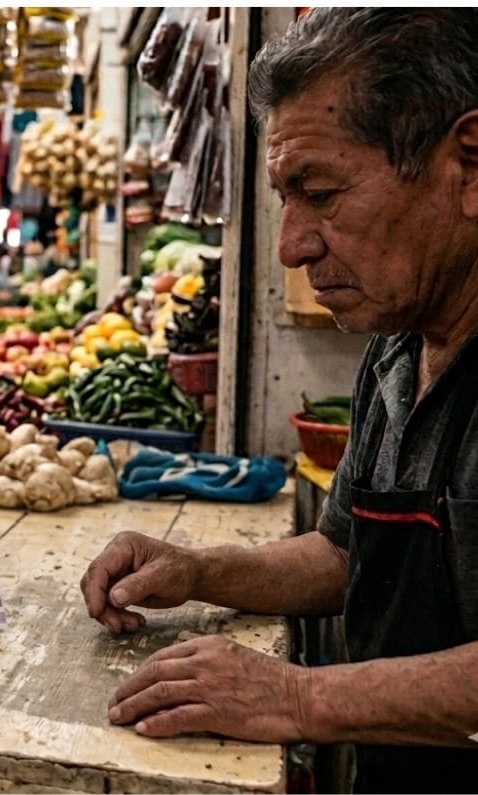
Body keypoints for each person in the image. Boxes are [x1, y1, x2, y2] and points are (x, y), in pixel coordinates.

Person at [79, 9, 478, 793]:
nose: (291, 244)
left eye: (320, 192)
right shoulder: (398, 348)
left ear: (467, 165)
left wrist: (297, 694)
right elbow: (343, 553)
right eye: (284, 198)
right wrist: (198, 570)